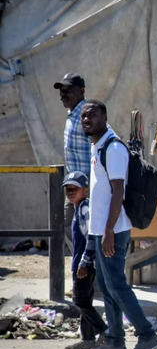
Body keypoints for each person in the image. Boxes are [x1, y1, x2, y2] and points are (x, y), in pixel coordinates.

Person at [80, 99, 157, 349]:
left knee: (116, 284)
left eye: (91, 115)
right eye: (83, 116)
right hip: (102, 229)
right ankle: (115, 338)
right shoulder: (97, 146)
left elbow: (118, 192)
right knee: (106, 284)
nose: (86, 120)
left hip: (113, 229)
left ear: (104, 117)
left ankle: (146, 334)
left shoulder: (113, 148)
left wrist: (108, 231)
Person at [62, 171, 107, 349]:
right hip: (81, 263)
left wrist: (84, 263)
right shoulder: (78, 207)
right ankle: (87, 339)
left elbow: (91, 235)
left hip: (84, 265)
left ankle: (104, 332)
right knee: (85, 301)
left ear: (86, 190)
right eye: (68, 189)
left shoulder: (85, 209)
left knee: (80, 301)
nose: (70, 191)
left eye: (75, 188)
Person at [54, 73, 89, 254]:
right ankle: (85, 263)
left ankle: (89, 264)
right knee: (66, 225)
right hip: (74, 185)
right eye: (61, 90)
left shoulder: (88, 114)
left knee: (85, 228)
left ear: (81, 91)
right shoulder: (71, 114)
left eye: (68, 90)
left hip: (87, 185)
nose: (63, 94)